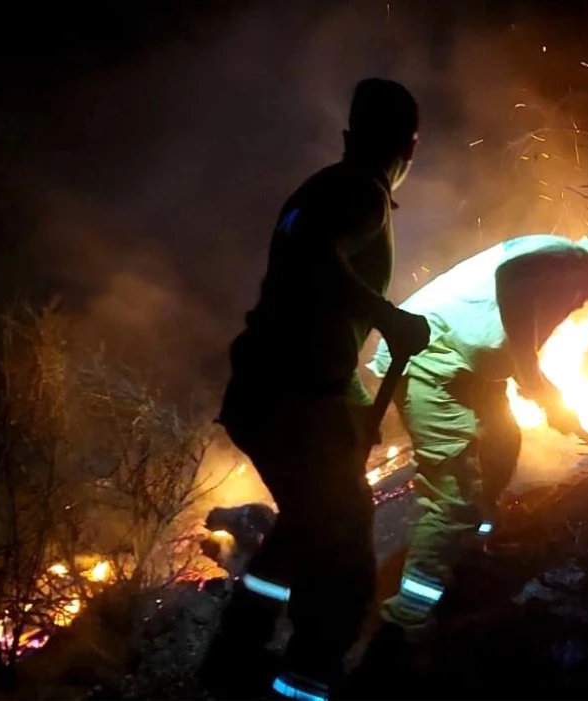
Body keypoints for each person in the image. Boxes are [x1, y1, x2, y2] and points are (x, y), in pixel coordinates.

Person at [352, 214, 588, 683]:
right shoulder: (568, 258)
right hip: (432, 362)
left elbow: (517, 339)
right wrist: (531, 373)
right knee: (454, 497)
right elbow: (512, 280)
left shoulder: (565, 264)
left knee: (502, 446)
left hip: (473, 371)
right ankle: (401, 631)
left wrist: (540, 389)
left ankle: (470, 549)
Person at [198, 78, 432, 701]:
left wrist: (354, 408)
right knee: (345, 558)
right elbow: (313, 258)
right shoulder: (361, 192)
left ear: (350, 135)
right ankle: (304, 685)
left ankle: (233, 657)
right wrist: (386, 314)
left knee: (304, 526)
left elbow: (312, 307)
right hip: (292, 400)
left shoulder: (323, 187)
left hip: (276, 393)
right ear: (410, 148)